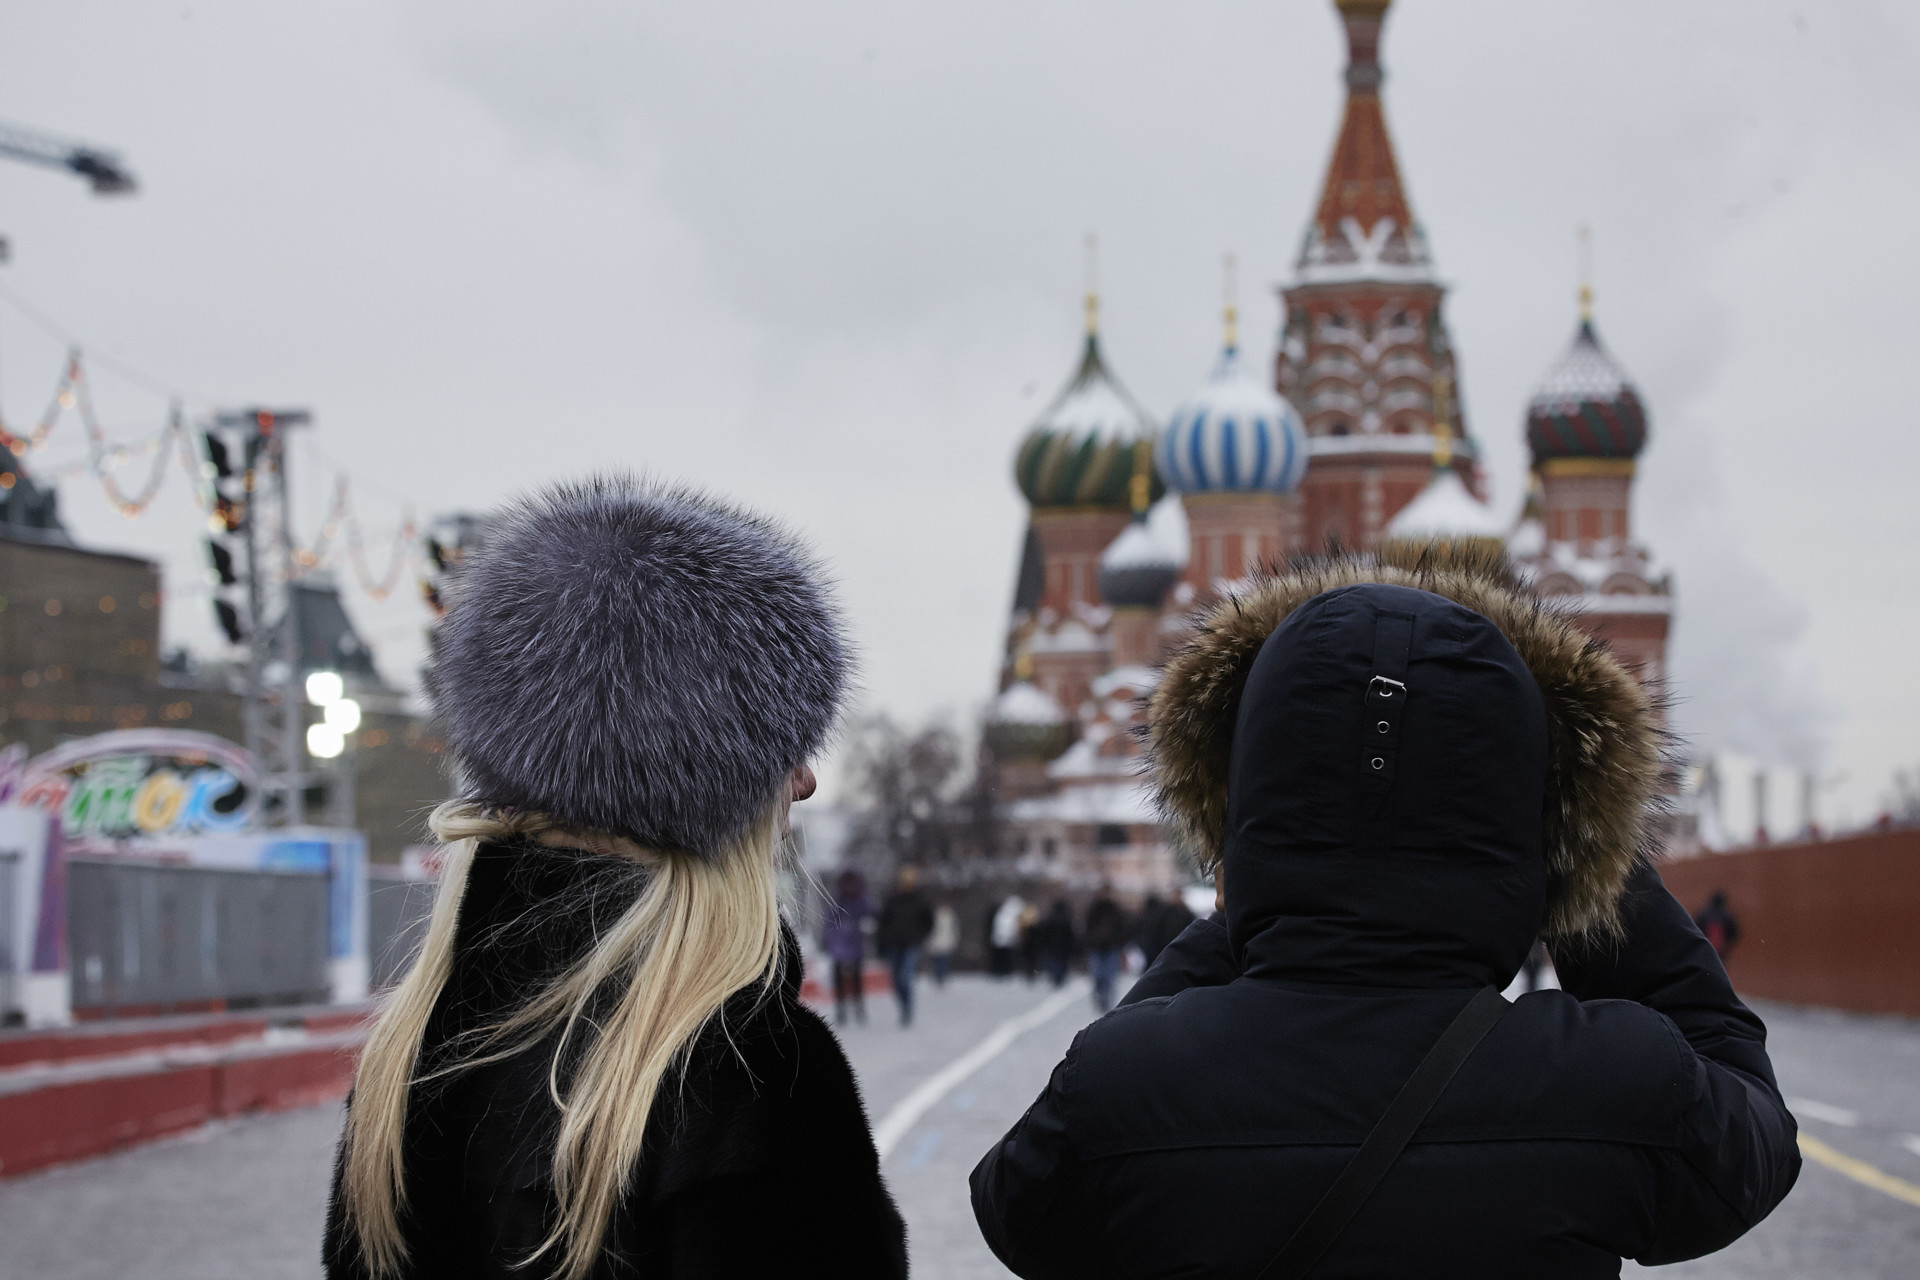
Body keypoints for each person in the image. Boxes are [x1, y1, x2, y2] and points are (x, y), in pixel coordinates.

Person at [972, 549, 1799, 1276]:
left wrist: (1243, 901)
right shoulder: (1613, 1083)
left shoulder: (1124, 1085)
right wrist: (1588, 849)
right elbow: (1753, 1135)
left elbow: (1022, 1217)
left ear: (1243, 812)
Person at [324, 478, 906, 1280]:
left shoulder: (409, 1060)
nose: (803, 782)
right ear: (711, 781)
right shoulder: (745, 1070)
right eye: (782, 748)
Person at [876, 865, 934, 1026]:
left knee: (905, 977)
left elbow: (928, 922)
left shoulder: (920, 900)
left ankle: (908, 1008)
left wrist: (919, 937)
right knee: (895, 980)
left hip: (911, 945)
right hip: (893, 945)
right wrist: (881, 945)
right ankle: (903, 1006)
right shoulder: (892, 900)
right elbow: (883, 923)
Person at [821, 869, 875, 1025]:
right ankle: (841, 1009)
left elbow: (871, 919)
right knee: (838, 978)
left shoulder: (862, 902)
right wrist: (831, 941)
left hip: (856, 946)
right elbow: (828, 924)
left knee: (857, 978)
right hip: (839, 947)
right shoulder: (837, 903)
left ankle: (858, 1008)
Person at [1082, 885, 1128, 1012]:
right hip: (1097, 946)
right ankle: (1100, 998)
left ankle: (1106, 1001)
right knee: (1098, 975)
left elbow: (1122, 928)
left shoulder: (1114, 909)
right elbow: (1087, 928)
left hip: (1111, 947)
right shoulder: (1095, 909)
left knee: (1109, 976)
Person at [1032, 901, 1076, 988]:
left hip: (1052, 947)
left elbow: (1044, 935)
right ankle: (1059, 978)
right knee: (1062, 964)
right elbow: (1070, 936)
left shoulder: (1050, 920)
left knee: (1054, 963)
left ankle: (1056, 978)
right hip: (1063, 947)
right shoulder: (1066, 920)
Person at [1695, 890, 1741, 962]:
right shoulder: (1727, 917)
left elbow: (1695, 931)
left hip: (1706, 948)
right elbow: (1734, 934)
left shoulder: (1702, 915)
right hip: (1721, 950)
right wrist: (1727, 944)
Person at [989, 895, 1024, 979]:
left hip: (1002, 941)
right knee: (1004, 959)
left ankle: (1002, 972)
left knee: (1002, 959)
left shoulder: (1002, 914)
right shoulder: (1008, 915)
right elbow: (1007, 929)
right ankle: (1003, 972)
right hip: (1004, 941)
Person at [927, 899, 960, 987]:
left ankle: (943, 977)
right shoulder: (934, 916)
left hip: (946, 942)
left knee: (944, 961)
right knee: (937, 961)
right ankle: (938, 977)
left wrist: (953, 940)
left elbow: (954, 930)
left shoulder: (950, 916)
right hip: (936, 943)